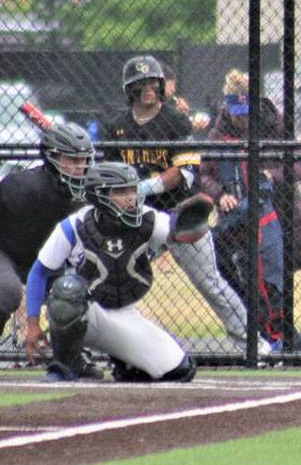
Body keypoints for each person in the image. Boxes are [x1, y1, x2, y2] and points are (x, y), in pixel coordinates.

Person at [101, 55, 268, 356]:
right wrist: (124, 194)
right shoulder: (116, 126)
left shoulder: (175, 121)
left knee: (210, 283)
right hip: (134, 218)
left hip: (179, 215)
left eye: (153, 83)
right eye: (141, 85)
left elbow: (184, 171)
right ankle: (105, 345)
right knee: (111, 278)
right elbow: (108, 173)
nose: (148, 89)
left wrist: (147, 186)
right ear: (130, 89)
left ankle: (254, 346)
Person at [23, 162, 198, 383]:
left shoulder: (147, 218)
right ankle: (65, 365)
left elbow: (178, 232)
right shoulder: (75, 225)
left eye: (132, 190)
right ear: (99, 194)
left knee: (179, 370)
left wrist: (191, 225)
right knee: (67, 288)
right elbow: (39, 272)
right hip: (85, 312)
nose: (130, 197)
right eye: (120, 191)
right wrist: (32, 324)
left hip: (124, 312)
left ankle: (126, 364)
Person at [0, 122, 94, 380]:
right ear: (52, 157)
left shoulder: (86, 193)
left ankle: (71, 355)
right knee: (7, 290)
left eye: (84, 160)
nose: (80, 167)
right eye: (72, 159)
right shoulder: (23, 187)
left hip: (43, 255)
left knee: (82, 287)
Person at [199, 69, 301, 348]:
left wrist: (271, 176)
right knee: (246, 275)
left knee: (278, 275)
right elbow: (205, 174)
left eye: (246, 110)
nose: (241, 118)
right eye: (236, 110)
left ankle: (282, 333)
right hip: (238, 218)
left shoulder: (274, 123)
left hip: (279, 211)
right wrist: (220, 194)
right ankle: (260, 335)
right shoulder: (220, 131)